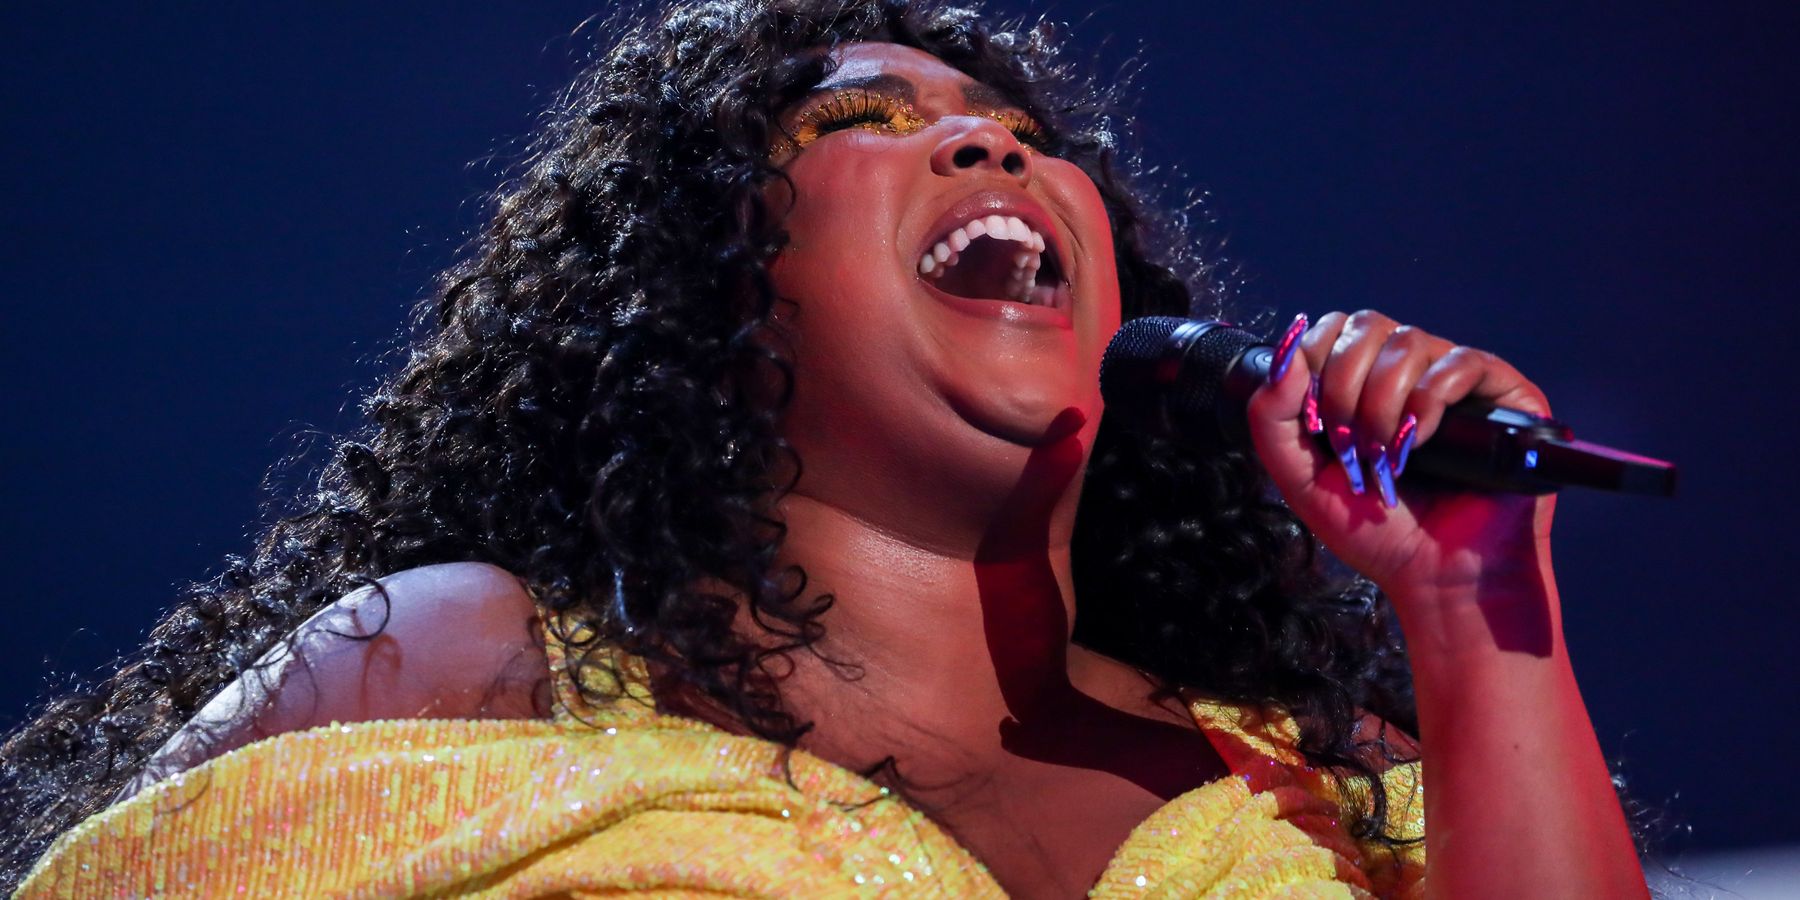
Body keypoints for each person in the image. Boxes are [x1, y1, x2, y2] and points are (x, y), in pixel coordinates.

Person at [1, 0, 1647, 896]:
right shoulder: (472, 664)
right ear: (705, 299)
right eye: (860, 123)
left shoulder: (1322, 776)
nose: (988, 136)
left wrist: (1474, 609)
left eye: (1020, 135)